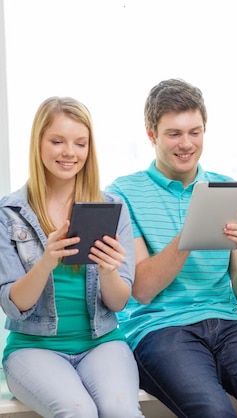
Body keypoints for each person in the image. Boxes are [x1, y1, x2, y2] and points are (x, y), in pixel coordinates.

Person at [106, 78, 237, 418]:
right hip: (159, 329)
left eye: (195, 132)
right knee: (214, 412)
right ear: (151, 134)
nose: (186, 144)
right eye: (174, 133)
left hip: (227, 322)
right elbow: (141, 290)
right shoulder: (124, 193)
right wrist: (192, 231)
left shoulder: (228, 189)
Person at [0, 97, 142, 417]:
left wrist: (108, 271)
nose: (70, 152)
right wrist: (46, 261)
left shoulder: (112, 207)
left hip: (102, 342)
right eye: (57, 141)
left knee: (122, 412)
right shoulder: (8, 213)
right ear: (38, 143)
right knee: (77, 411)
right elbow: (13, 304)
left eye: (80, 143)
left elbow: (120, 302)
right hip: (33, 348)